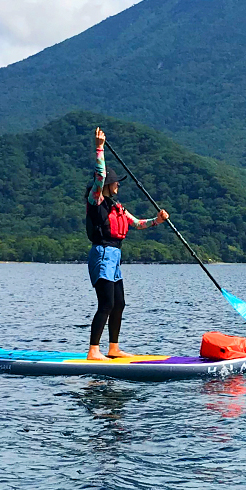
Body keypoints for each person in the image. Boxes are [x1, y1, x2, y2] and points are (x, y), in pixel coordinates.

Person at [85, 127, 169, 360]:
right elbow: (99, 176)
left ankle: (113, 348)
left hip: (115, 257)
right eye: (115, 183)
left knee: (119, 303)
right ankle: (93, 350)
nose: (118, 185)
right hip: (102, 254)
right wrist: (99, 148)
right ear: (107, 184)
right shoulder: (95, 200)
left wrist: (157, 220)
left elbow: (137, 223)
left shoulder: (117, 207)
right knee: (106, 303)